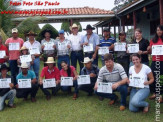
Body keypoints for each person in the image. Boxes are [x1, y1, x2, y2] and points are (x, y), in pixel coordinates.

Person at [148, 25, 163, 103]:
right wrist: (149, 49)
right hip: (154, 61)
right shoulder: (153, 40)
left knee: (161, 78)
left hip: (162, 61)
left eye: (160, 30)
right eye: (157, 30)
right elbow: (150, 51)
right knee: (153, 76)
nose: (159, 31)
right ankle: (155, 93)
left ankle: (161, 95)